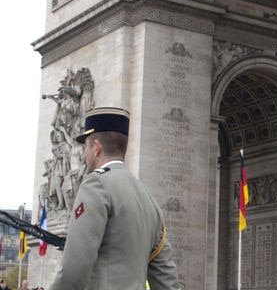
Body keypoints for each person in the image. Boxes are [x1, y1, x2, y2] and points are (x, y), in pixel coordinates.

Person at [51, 107, 180, 290]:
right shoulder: (149, 199)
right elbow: (166, 279)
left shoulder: (95, 185)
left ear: (96, 148)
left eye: (85, 146)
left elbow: (74, 268)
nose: (84, 155)